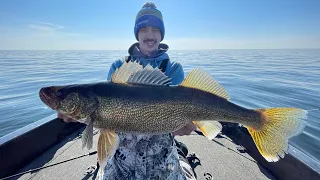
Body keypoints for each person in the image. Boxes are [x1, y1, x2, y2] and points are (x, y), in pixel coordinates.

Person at [58, 2, 197, 179]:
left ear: (161, 34)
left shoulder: (173, 68)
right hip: (122, 157)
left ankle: (182, 160)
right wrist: (79, 116)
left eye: (155, 30)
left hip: (161, 156)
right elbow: (105, 119)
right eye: (144, 29)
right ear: (137, 33)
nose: (150, 34)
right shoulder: (118, 66)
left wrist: (184, 124)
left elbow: (182, 111)